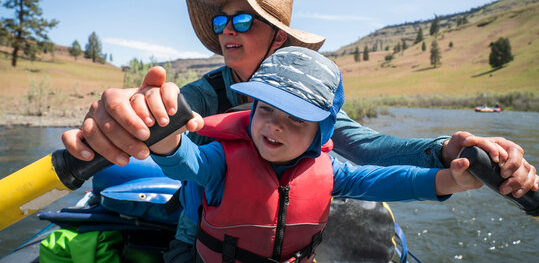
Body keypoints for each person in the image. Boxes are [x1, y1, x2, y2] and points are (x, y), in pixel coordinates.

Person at [61, 0, 538, 258]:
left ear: (280, 39)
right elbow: (157, 111)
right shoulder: (203, 94)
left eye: (243, 21)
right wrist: (122, 111)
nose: (228, 30)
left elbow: (367, 148)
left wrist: (441, 151)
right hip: (201, 225)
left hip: (288, 226)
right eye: (223, 21)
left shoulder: (312, 98)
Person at [148, 46, 482, 262]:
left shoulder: (329, 170)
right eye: (266, 109)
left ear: (320, 132)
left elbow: (387, 181)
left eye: (295, 117)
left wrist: (449, 180)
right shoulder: (221, 160)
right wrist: (164, 137)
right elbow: (185, 162)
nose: (275, 126)